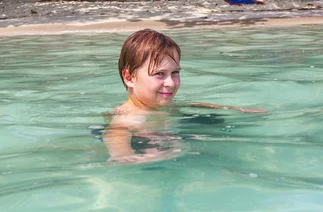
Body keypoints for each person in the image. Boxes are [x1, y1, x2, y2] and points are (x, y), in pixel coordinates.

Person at [103, 29, 266, 164]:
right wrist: (123, 155)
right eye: (159, 74)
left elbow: (188, 105)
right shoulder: (129, 116)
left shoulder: (160, 104)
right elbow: (116, 132)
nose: (171, 83)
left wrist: (235, 109)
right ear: (129, 78)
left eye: (175, 73)